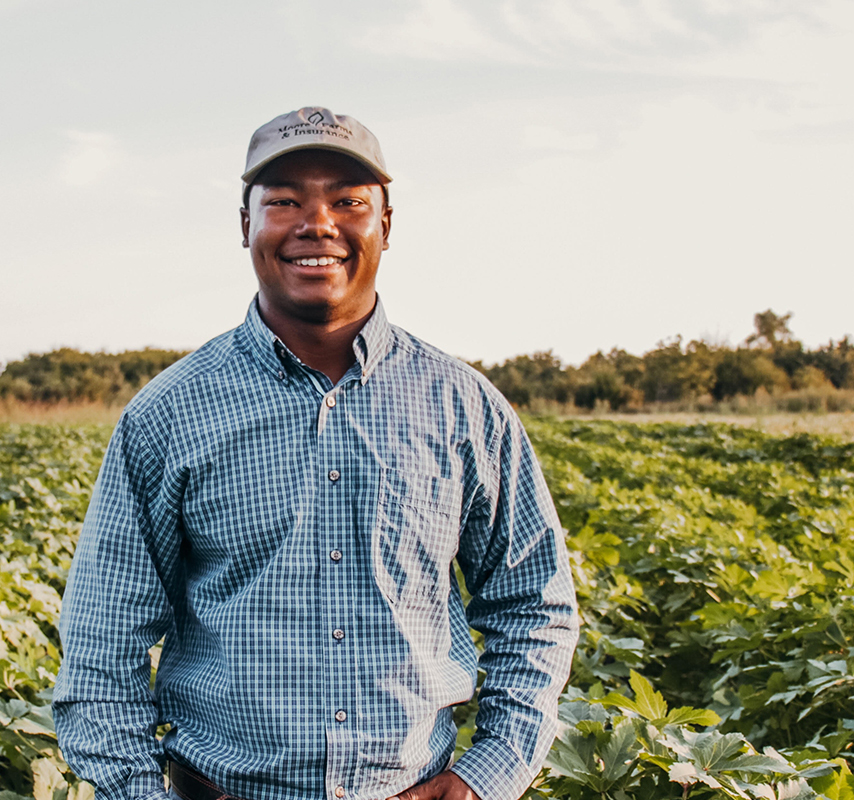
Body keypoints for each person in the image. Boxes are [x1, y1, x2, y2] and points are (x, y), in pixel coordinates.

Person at [53, 107, 576, 800]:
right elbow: (101, 642)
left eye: (348, 201)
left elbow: (533, 604)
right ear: (246, 226)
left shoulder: (465, 407)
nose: (317, 224)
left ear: (386, 224)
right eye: (284, 201)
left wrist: (488, 773)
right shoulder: (169, 412)